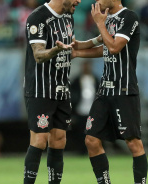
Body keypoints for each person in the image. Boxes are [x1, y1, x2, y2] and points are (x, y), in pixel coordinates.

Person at [23, 0, 104, 183]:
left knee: (59, 139)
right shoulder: (38, 17)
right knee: (39, 140)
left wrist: (98, 40)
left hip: (62, 88)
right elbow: (38, 54)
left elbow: (72, 46)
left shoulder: (68, 17)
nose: (79, 1)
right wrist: (56, 49)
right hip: (40, 88)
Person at [72, 1, 148, 183]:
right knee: (91, 140)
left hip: (124, 89)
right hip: (105, 89)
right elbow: (104, 47)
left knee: (133, 143)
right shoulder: (109, 20)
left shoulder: (129, 17)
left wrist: (99, 23)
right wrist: (77, 51)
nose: (97, 1)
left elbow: (114, 48)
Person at [68, 61, 99, 154]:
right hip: (80, 111)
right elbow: (71, 96)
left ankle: (93, 150)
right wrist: (72, 112)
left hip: (92, 112)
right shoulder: (76, 80)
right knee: (80, 133)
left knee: (93, 133)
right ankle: (81, 151)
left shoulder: (96, 80)